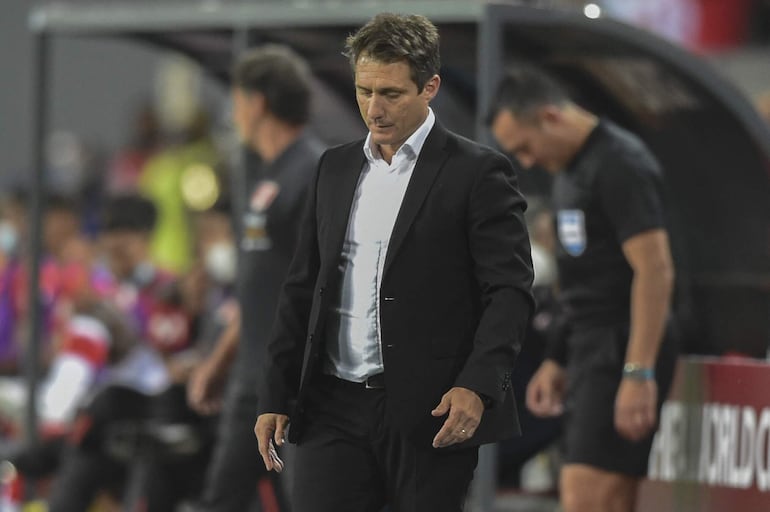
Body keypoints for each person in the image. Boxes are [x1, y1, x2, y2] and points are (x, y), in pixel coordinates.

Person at [254, 13, 534, 512]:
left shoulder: (478, 173)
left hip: (430, 409)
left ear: (430, 87)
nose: (373, 109)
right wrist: (275, 392)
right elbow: (303, 286)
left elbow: (509, 291)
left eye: (391, 94)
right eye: (364, 92)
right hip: (332, 406)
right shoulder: (334, 168)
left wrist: (478, 385)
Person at [487, 65, 678, 512]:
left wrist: (638, 372)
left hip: (621, 347)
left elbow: (655, 270)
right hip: (589, 349)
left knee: (592, 497)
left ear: (550, 117)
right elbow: (583, 278)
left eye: (525, 148)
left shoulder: (620, 164)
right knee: (583, 496)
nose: (528, 161)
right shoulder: (571, 171)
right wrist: (557, 356)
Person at [187, 44, 324, 511]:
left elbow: (314, 287)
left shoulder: (313, 172)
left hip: (292, 382)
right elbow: (262, 289)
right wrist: (219, 362)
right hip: (251, 378)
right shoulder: (266, 175)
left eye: (236, 100)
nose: (234, 113)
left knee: (302, 501)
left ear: (257, 102)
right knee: (220, 499)